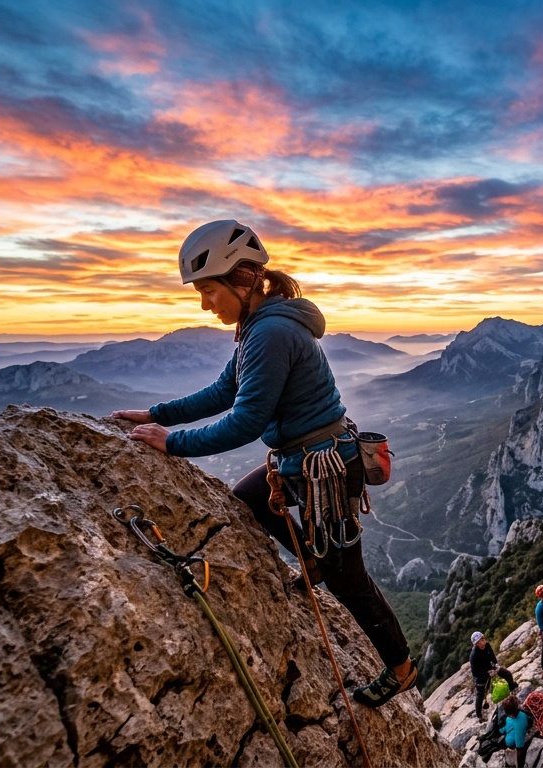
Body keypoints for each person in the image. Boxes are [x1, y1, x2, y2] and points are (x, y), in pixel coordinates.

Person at [111, 219, 417, 709]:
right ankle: (312, 561)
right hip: (304, 462)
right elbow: (224, 391)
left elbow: (245, 421)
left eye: (209, 290)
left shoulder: (271, 332)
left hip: (326, 469)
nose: (205, 304)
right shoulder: (257, 327)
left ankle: (401, 668)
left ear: (242, 279)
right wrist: (156, 415)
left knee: (350, 581)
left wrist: (172, 443)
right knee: (250, 496)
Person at [470, 631, 515, 720]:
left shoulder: (487, 646)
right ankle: (479, 715)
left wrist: (496, 665)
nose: (484, 640)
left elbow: (492, 656)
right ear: (477, 643)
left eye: (483, 638)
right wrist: (487, 673)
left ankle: (512, 687)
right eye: (481, 639)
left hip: (491, 669)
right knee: (480, 695)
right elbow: (475, 672)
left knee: (506, 674)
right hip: (481, 677)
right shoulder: (474, 655)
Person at [500, 695, 531, 768]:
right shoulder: (522, 714)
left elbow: (519, 745)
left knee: (507, 741)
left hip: (512, 744)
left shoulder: (513, 722)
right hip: (513, 732)